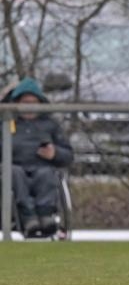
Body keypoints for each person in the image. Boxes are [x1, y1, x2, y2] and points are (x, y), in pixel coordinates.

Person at [0, 77, 74, 237]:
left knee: (46, 174)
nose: (29, 107)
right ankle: (28, 217)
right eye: (25, 102)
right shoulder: (5, 124)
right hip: (14, 168)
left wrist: (54, 153)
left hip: (43, 166)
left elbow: (68, 155)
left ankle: (45, 215)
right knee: (14, 173)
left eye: (33, 102)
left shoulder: (50, 125)